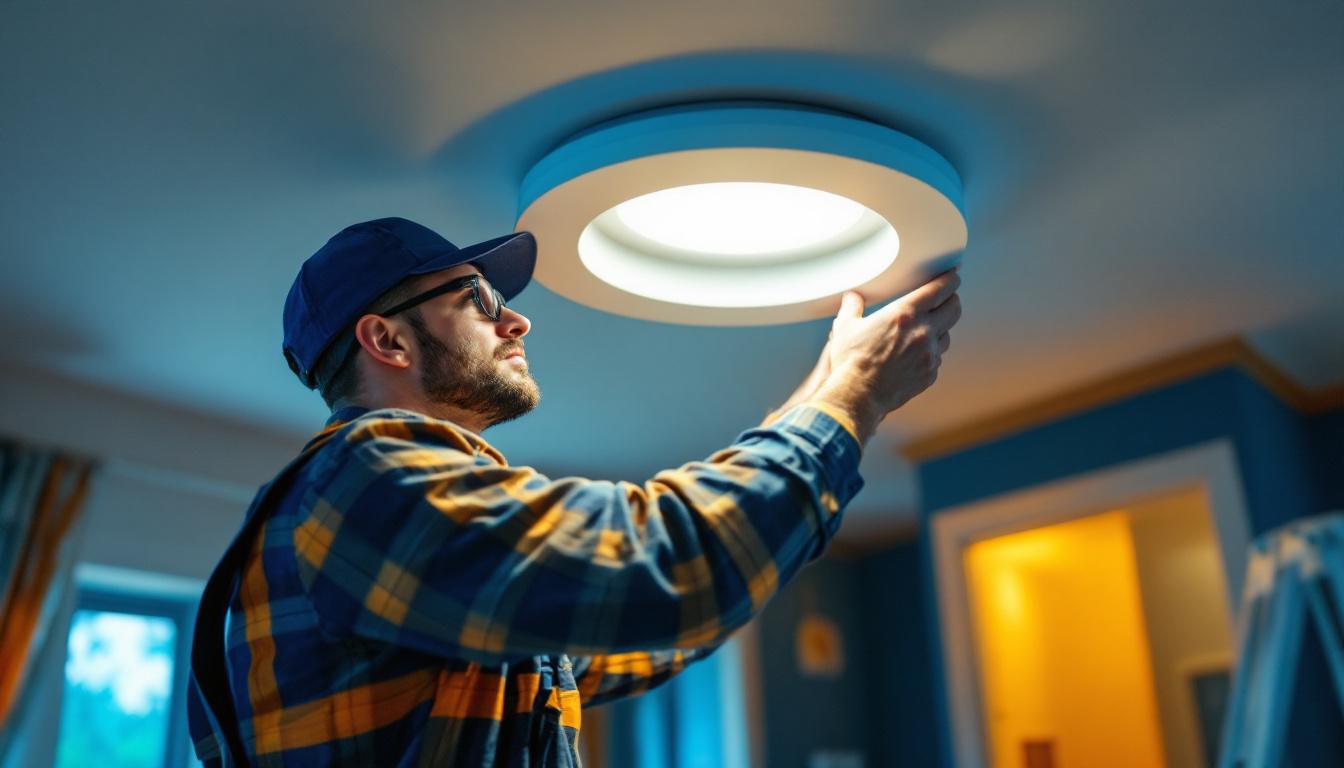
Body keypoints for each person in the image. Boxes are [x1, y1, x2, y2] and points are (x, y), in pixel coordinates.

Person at [187, 217, 961, 767]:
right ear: (386, 339)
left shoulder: (401, 533)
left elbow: (647, 624)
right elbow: (665, 567)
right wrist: (852, 397)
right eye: (478, 299)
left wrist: (824, 389)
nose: (517, 320)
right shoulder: (364, 475)